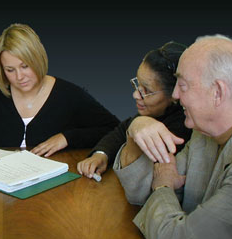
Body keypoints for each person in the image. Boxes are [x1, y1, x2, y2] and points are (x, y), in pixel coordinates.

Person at [113, 35, 232, 239]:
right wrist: (134, 131)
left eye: (182, 85)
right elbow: (140, 192)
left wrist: (162, 188)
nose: (176, 96)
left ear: (218, 92)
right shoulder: (207, 132)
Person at [0, 23, 119, 157]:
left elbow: (113, 129)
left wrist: (67, 138)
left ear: (37, 59)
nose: (19, 77)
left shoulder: (69, 95)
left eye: (25, 66)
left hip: (56, 190)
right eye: (10, 70)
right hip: (4, 186)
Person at [77, 41, 192, 179]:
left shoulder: (182, 131)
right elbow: (121, 131)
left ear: (175, 94)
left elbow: (143, 176)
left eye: (147, 91)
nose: (136, 95)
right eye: (137, 84)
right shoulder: (156, 111)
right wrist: (101, 154)